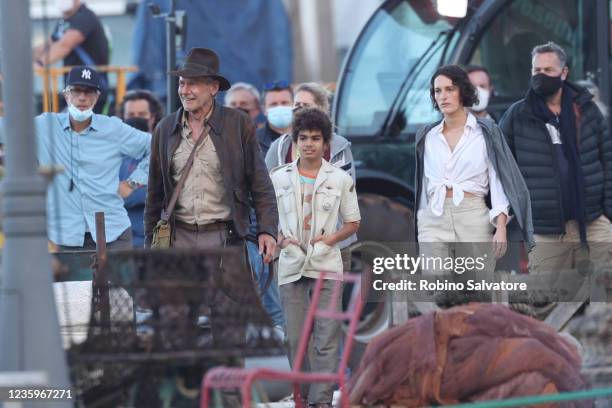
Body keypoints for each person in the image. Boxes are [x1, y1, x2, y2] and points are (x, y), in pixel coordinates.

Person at [144, 48, 278, 339]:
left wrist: (267, 230)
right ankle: (187, 384)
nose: (185, 90)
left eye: (193, 83)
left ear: (213, 88)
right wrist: (150, 249)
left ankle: (228, 385)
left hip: (225, 238)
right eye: (181, 83)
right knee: (176, 329)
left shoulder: (237, 124)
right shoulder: (165, 128)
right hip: (178, 239)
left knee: (230, 327)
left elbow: (260, 183)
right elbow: (154, 196)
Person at [271, 108, 360, 408]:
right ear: (294, 141)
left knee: (326, 336)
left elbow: (353, 221)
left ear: (326, 143)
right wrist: (280, 239)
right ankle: (302, 398)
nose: (309, 144)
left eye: (316, 138)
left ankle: (320, 402)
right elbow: (268, 218)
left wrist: (331, 239)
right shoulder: (278, 177)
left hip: (326, 263)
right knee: (295, 339)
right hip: (292, 262)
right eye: (303, 138)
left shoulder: (339, 178)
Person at [499, 42, 612, 277]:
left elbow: (608, 161)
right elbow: (500, 169)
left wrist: (608, 213)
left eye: (548, 71)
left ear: (564, 73)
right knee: (547, 301)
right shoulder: (517, 116)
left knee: (605, 299)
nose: (541, 76)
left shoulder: (588, 111)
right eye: (536, 71)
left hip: (592, 222)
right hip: (545, 230)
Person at [415, 65, 533, 282]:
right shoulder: (428, 136)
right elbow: (424, 184)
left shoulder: (485, 132)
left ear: (463, 91)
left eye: (450, 89)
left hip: (472, 216)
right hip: (433, 218)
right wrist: (422, 218)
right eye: (437, 91)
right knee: (434, 290)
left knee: (477, 290)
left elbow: (498, 183)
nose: (443, 96)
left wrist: (501, 228)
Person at [35, 66, 151, 250]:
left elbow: (156, 147)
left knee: (120, 281)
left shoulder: (112, 128)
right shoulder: (45, 126)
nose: (82, 97)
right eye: (76, 91)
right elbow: (7, 130)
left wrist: (133, 183)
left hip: (113, 235)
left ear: (96, 98)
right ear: (66, 95)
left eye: (89, 92)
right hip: (64, 239)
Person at [266, 82, 357, 272]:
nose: (299, 110)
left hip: (331, 247)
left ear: (321, 110)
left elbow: (346, 200)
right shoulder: (279, 148)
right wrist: (280, 237)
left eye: (305, 106)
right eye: (296, 104)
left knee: (328, 302)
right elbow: (266, 197)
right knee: (292, 302)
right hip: (291, 248)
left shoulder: (340, 148)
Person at [33, 0, 110, 113]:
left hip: (90, 88)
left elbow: (65, 44)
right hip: (72, 89)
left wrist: (40, 63)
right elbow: (47, 46)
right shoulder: (64, 23)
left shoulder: (85, 17)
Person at [256, 80, 293, 156]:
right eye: (273, 104)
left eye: (284, 103)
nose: (280, 108)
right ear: (264, 110)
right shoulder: (253, 141)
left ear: (294, 105)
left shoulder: (308, 137)